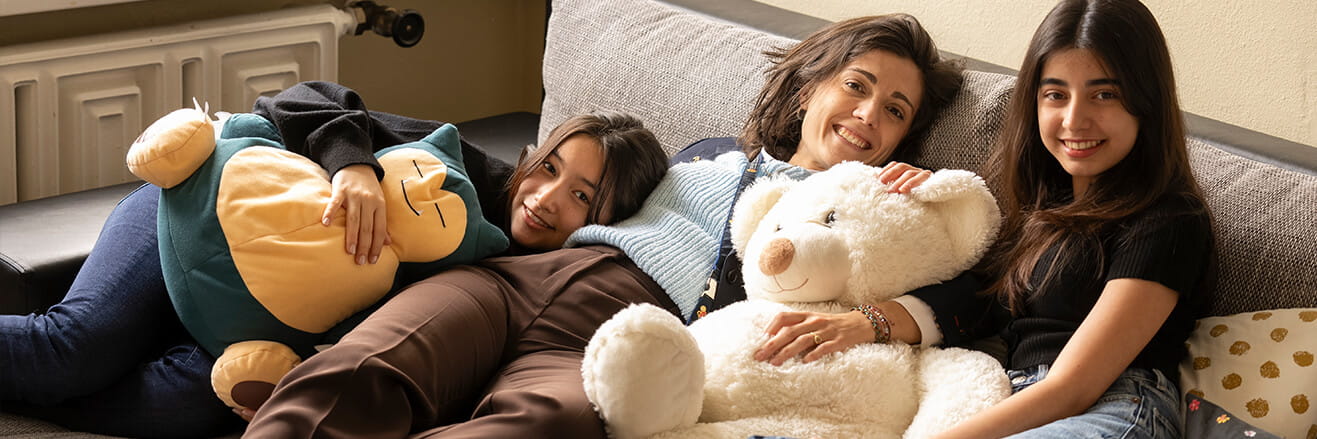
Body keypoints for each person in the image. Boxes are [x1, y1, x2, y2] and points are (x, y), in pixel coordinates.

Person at [242, 13, 967, 438]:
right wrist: (353, 163)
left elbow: (986, 294)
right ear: (813, 88)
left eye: (896, 110)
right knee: (365, 369)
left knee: (547, 424)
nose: (869, 115)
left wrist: (878, 316)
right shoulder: (703, 156)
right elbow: (495, 172)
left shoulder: (882, 214)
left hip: (620, 336)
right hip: (520, 281)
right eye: (857, 86)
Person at [0, 80, 667, 439]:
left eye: (582, 195)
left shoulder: (523, 285)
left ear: (609, 223)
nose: (545, 197)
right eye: (548, 166)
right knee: (77, 349)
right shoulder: (454, 167)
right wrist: (354, 169)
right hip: (203, 203)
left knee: (188, 408)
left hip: (249, 321)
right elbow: (301, 99)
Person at [919, 1, 1214, 437]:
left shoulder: (1169, 220)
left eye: (1104, 94)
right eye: (1055, 94)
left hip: (1114, 408)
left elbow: (1074, 387)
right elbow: (968, 302)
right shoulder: (1038, 212)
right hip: (1022, 403)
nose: (1075, 119)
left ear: (1146, 103)